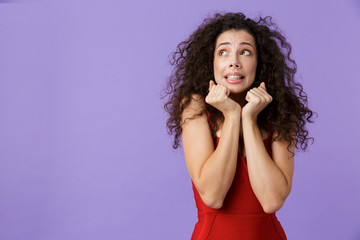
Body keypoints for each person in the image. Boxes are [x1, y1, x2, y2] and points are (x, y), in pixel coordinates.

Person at [163, 12, 315, 239]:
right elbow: (213, 196)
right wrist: (233, 116)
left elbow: (272, 201)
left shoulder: (284, 112)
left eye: (245, 52)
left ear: (259, 62)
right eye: (223, 52)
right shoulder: (195, 107)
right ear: (211, 62)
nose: (234, 61)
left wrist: (249, 119)